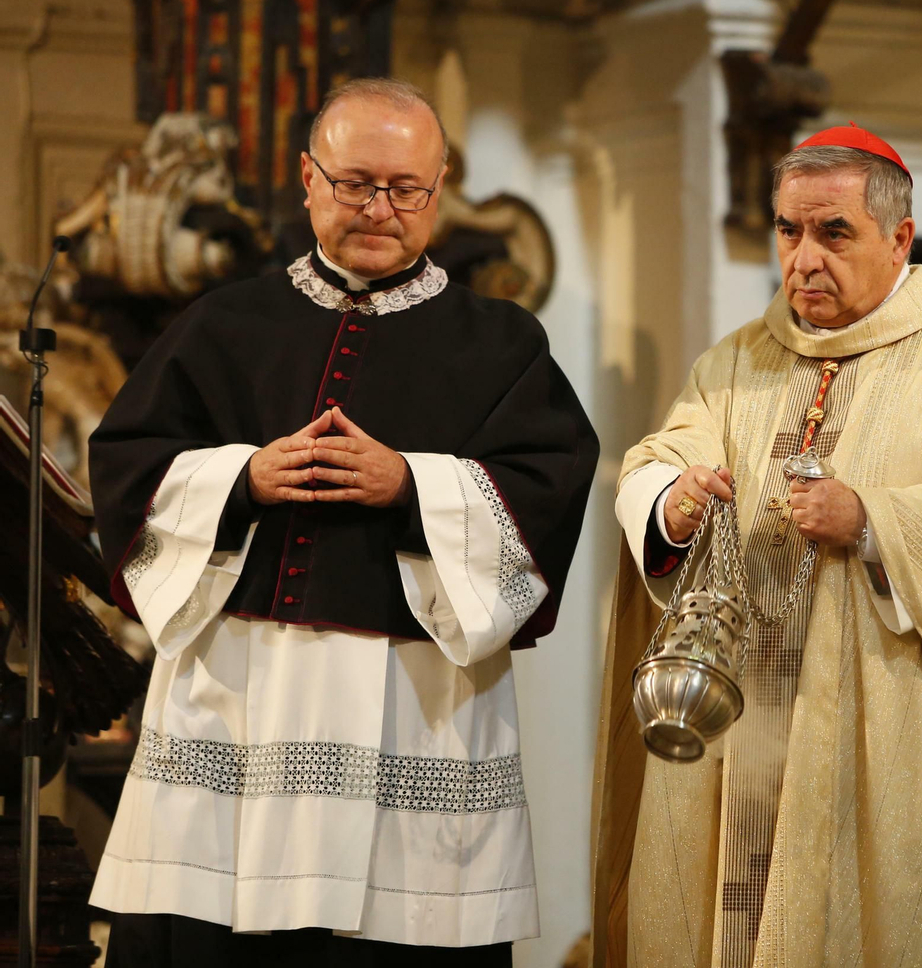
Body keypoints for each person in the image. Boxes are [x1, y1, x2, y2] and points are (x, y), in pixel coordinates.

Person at [87, 78, 599, 966]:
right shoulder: (224, 322)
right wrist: (244, 476)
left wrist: (413, 483)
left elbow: (549, 490)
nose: (380, 207)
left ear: (437, 192)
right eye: (357, 181)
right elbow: (128, 463)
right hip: (240, 699)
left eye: (406, 189)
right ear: (309, 179)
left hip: (416, 704)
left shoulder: (502, 343)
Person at [590, 125, 922, 968]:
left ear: (900, 238)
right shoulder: (736, 361)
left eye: (834, 233)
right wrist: (670, 505)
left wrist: (871, 520)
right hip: (726, 737)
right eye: (789, 230)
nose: (803, 258)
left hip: (871, 733)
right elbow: (658, 458)